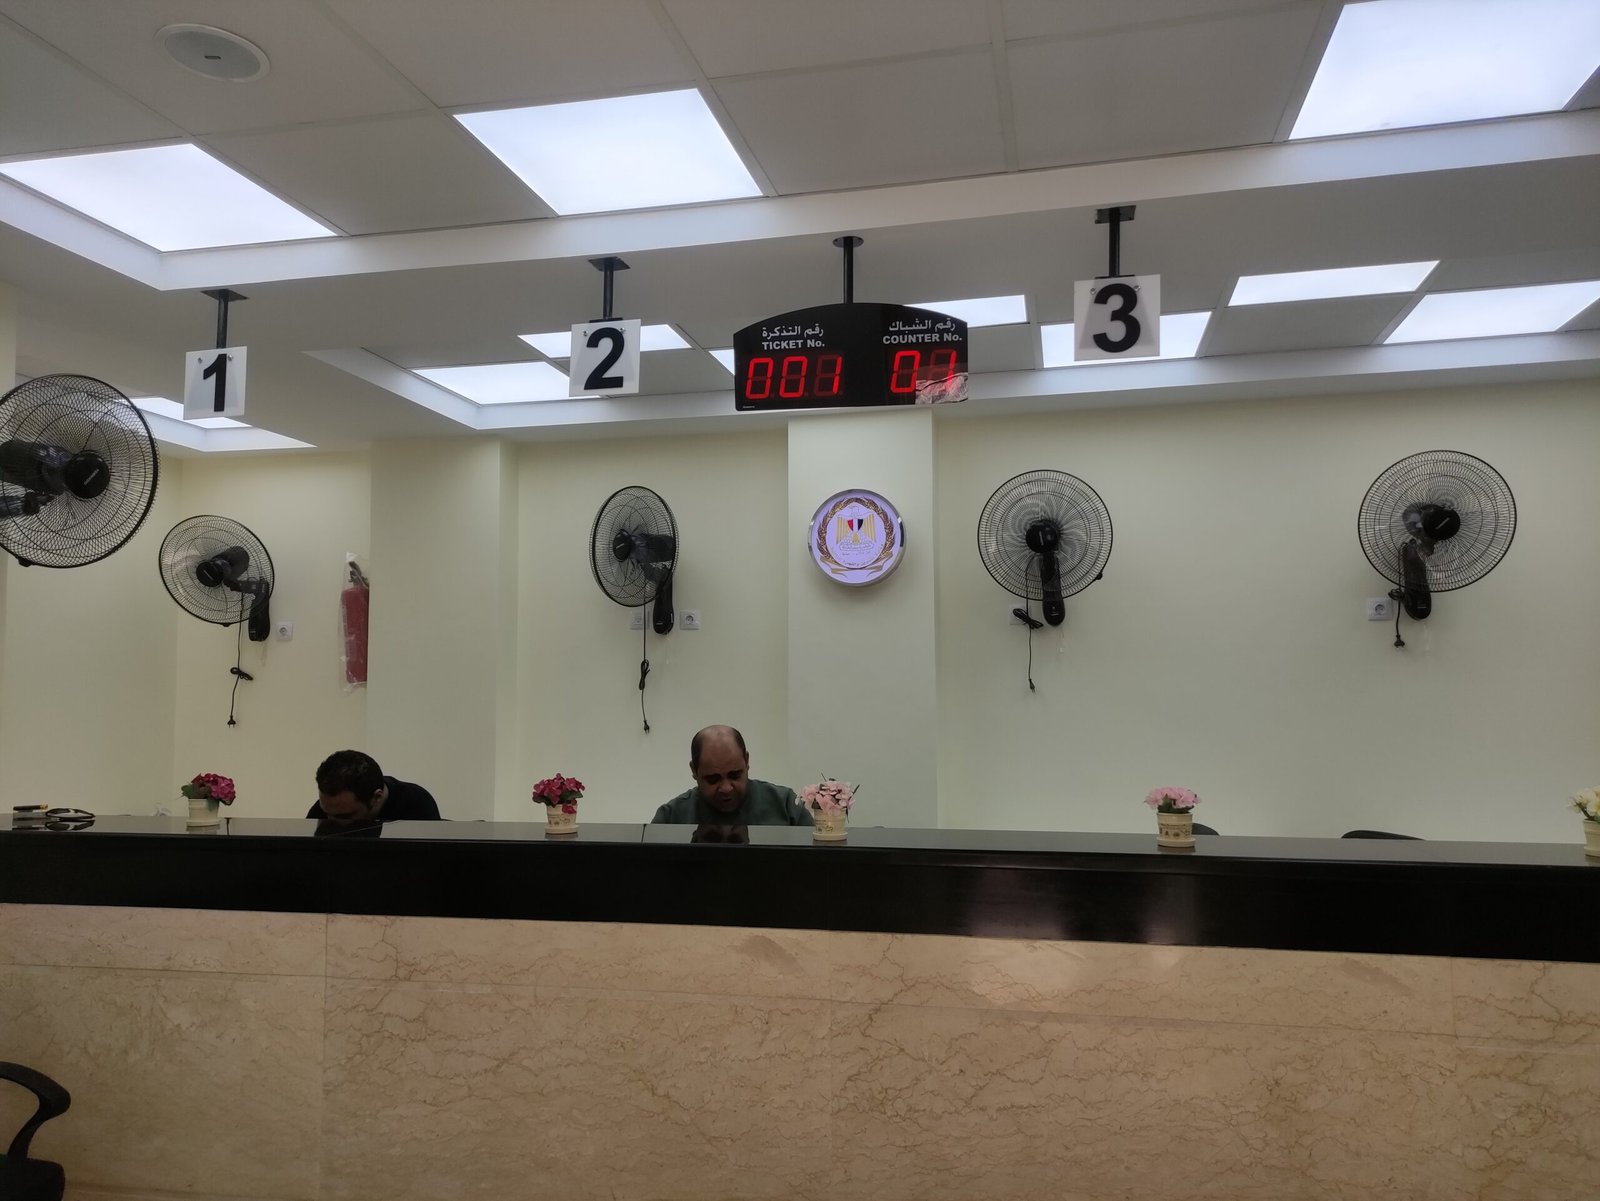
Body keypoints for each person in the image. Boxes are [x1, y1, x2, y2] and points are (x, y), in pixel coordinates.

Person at [651, 725, 812, 826]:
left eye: (735, 775)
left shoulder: (786, 807)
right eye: (713, 779)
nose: (726, 788)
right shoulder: (670, 818)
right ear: (694, 770)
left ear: (747, 761)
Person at [306, 750, 441, 822]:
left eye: (346, 817)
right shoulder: (327, 810)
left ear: (377, 797)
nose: (332, 824)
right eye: (327, 814)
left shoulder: (416, 804)